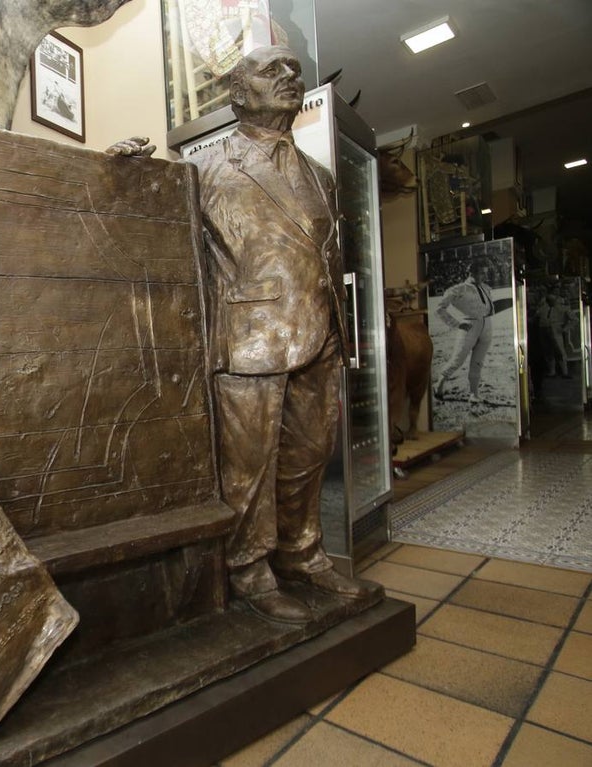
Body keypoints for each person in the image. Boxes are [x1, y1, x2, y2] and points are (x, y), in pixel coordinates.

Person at [109, 45, 371, 625]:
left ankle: (303, 553)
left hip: (320, 332)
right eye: (270, 69)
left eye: (293, 71)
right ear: (236, 92)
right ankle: (249, 567)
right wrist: (121, 176)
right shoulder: (204, 168)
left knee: (308, 455)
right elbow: (148, 234)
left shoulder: (322, 176)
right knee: (249, 465)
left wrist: (339, 332)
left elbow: (325, 256)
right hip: (249, 338)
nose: (288, 77)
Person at [433, 260, 496, 403]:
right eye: (481, 273)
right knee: (458, 360)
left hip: (487, 326)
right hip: (469, 326)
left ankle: (474, 394)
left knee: (478, 362)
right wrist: (456, 323)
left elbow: (488, 308)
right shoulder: (459, 289)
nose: (485, 276)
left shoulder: (486, 287)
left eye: (486, 273)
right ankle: (439, 384)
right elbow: (439, 309)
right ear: (471, 273)